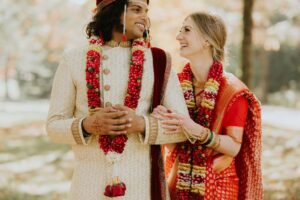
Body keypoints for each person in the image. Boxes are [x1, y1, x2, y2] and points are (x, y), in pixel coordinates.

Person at [46, 0, 189, 199]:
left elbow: (183, 128)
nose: (145, 17)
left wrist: (140, 124)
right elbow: (53, 127)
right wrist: (89, 124)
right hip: (88, 187)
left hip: (141, 187)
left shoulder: (159, 61)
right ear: (112, 11)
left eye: (146, 11)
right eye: (136, 9)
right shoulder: (73, 58)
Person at [152, 12, 263, 200]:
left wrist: (198, 131)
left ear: (207, 40)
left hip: (219, 188)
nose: (179, 36)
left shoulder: (232, 91)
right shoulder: (174, 85)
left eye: (186, 30)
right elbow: (174, 147)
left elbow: (234, 147)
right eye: (180, 30)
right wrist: (162, 121)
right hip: (179, 183)